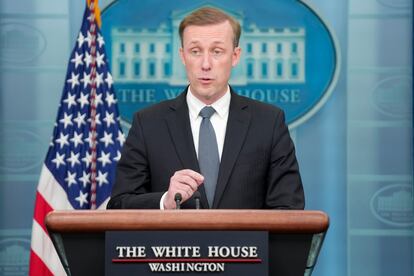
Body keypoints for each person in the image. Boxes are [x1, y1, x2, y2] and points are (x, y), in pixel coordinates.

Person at [107, 7, 304, 210]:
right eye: (195, 51)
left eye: (217, 51)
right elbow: (119, 204)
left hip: (247, 243)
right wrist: (164, 201)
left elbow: (289, 208)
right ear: (183, 56)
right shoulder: (148, 124)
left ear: (235, 56)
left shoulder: (269, 122)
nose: (206, 64)